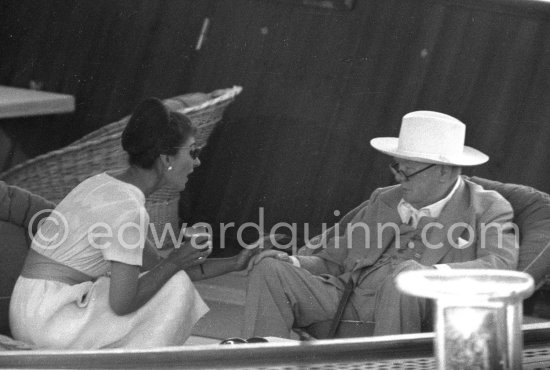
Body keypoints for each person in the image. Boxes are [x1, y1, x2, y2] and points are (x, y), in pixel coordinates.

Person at [9, 98, 260, 349]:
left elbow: (157, 267)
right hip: (51, 321)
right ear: (165, 160)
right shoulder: (128, 209)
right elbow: (123, 303)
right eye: (193, 152)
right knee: (175, 288)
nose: (197, 162)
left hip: (30, 310)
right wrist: (176, 260)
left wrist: (236, 263)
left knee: (165, 278)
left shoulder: (103, 184)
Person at [243, 111, 519, 338]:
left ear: (443, 171)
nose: (399, 178)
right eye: (396, 167)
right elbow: (333, 261)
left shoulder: (487, 207)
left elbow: (500, 266)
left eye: (407, 171)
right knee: (271, 269)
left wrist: (428, 274)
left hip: (420, 310)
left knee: (405, 278)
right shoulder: (384, 199)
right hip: (346, 299)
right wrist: (292, 262)